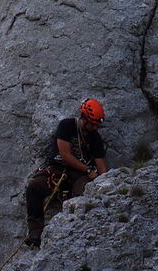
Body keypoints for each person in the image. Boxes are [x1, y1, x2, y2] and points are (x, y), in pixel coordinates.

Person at [25, 98, 108, 247]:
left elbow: (102, 168)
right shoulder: (67, 126)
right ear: (85, 119)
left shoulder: (95, 138)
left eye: (97, 124)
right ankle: (35, 232)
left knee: (81, 194)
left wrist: (104, 180)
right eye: (94, 124)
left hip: (79, 176)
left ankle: (74, 231)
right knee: (34, 187)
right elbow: (65, 155)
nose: (96, 127)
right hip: (58, 169)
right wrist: (88, 170)